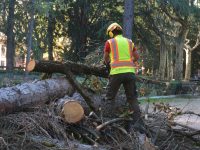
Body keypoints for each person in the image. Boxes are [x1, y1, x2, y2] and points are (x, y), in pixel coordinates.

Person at [103, 22, 145, 133]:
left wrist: (108, 65)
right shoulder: (129, 42)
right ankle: (138, 126)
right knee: (132, 99)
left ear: (111, 33)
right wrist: (129, 62)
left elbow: (106, 59)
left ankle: (108, 125)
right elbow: (136, 57)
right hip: (130, 73)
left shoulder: (109, 42)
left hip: (116, 73)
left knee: (109, 98)